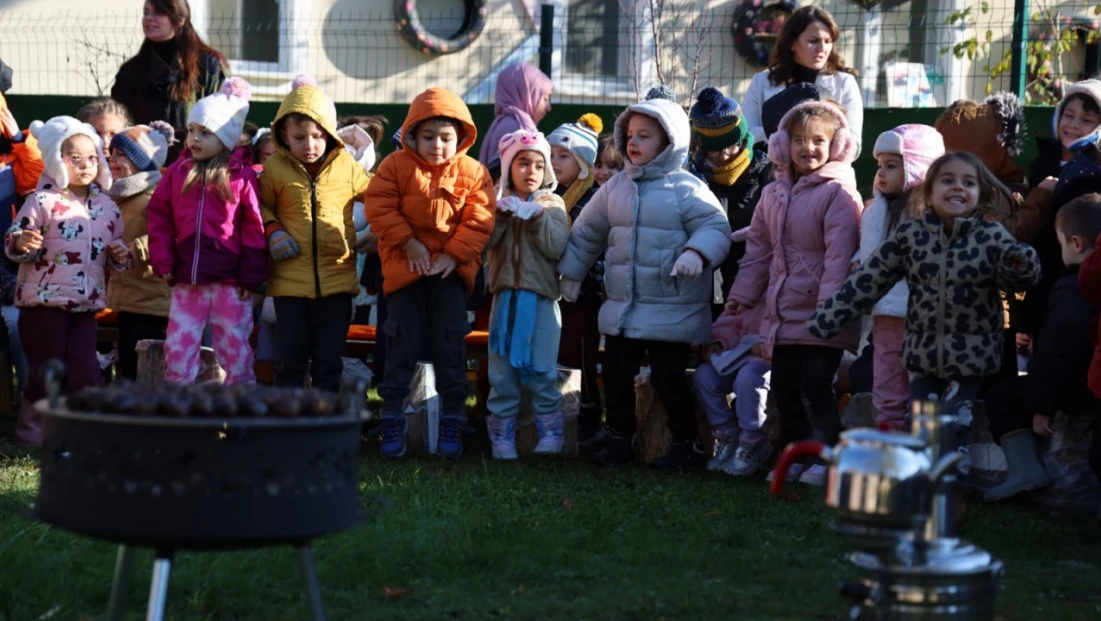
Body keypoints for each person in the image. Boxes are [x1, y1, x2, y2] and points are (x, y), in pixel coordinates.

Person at [808, 152, 1040, 458]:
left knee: (953, 426)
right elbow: (869, 278)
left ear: (981, 194)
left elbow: (1017, 279)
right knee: (923, 426)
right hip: (922, 352)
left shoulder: (991, 237)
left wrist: (1020, 263)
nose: (958, 187)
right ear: (928, 191)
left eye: (968, 182)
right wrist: (828, 318)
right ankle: (924, 477)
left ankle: (948, 479)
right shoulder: (912, 237)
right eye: (948, 180)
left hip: (969, 357)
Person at [558, 97, 731, 469]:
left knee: (669, 379)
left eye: (645, 136)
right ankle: (620, 438)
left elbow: (716, 227)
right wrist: (572, 272)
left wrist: (697, 253)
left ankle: (687, 443)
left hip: (672, 310)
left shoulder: (686, 188)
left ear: (670, 142)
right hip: (624, 309)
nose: (633, 142)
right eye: (630, 134)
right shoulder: (616, 187)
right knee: (615, 375)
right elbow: (587, 232)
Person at [728, 100, 862, 486]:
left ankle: (830, 457)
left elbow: (838, 258)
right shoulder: (773, 194)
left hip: (824, 314)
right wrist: (742, 294)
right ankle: (798, 455)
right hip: (783, 312)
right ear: (783, 145)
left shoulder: (838, 193)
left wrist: (829, 312)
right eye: (800, 140)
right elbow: (759, 249)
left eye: (818, 140)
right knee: (785, 387)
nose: (808, 148)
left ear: (837, 145)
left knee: (818, 385)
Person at [365, 87, 495, 460]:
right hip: (405, 270)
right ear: (412, 135)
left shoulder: (474, 172)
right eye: (428, 137)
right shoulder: (394, 167)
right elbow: (379, 206)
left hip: (449, 274)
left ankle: (453, 418)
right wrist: (409, 244)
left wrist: (454, 255)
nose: (437, 145)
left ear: (461, 137)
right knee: (400, 344)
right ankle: (392, 416)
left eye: (446, 138)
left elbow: (480, 218)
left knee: (450, 345)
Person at [6, 116, 130, 446]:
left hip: (86, 305)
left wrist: (120, 255)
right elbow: (14, 238)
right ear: (56, 160)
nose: (86, 164)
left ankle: (81, 432)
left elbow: (116, 251)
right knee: (46, 371)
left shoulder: (108, 208)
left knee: (84, 372)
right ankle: (32, 433)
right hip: (42, 304)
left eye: (92, 157)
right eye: (75, 158)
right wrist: (21, 243)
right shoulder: (41, 201)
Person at [147, 78, 267, 386]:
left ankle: (240, 402)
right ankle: (179, 403)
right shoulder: (176, 173)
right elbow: (159, 216)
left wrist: (251, 279)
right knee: (179, 345)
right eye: (191, 130)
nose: (195, 139)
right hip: (187, 279)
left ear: (226, 138)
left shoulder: (241, 177)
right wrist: (163, 260)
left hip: (231, 282)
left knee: (235, 346)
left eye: (205, 132)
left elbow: (254, 227)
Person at [260, 76, 373, 393]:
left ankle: (324, 418)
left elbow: (379, 197)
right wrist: (273, 230)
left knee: (328, 362)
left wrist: (378, 233)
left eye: (317, 136)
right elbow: (260, 205)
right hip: (289, 285)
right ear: (284, 135)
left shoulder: (346, 166)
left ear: (330, 134)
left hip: (337, 282)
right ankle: (289, 418)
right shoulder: (275, 168)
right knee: (289, 362)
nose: (309, 145)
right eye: (299, 137)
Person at [984, 194, 1101, 501]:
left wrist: (1041, 406)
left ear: (1076, 244)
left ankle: (1025, 471)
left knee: (1002, 396)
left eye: (1060, 243)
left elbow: (1058, 352)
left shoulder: (1073, 287)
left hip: (1073, 390)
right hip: (1090, 387)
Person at [484, 130, 569, 459]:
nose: (530, 171)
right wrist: (499, 218)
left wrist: (538, 220)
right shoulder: (495, 201)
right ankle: (501, 435)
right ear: (508, 167)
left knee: (543, 368)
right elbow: (485, 243)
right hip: (505, 300)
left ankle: (551, 432)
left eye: (538, 164)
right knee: (501, 371)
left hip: (542, 300)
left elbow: (555, 246)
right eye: (522, 163)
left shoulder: (553, 204)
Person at [856, 125, 945, 430]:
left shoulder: (933, 216)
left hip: (923, 317)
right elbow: (870, 248)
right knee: (887, 383)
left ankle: (927, 446)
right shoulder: (875, 210)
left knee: (924, 388)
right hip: (885, 317)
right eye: (880, 165)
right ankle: (890, 439)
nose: (881, 173)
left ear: (918, 167)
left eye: (892, 166)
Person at [546, 113, 605, 443]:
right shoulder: (548, 193)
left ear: (582, 163)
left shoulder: (593, 199)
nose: (555, 162)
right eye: (551, 154)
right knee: (558, 353)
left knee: (582, 355)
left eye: (564, 156)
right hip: (551, 290)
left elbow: (595, 246)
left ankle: (588, 414)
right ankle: (560, 415)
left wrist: (577, 275)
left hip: (584, 292)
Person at [688, 87, 771, 310]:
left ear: (742, 139)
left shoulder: (765, 171)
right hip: (703, 281)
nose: (724, 155)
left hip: (750, 279)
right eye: (715, 150)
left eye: (731, 146)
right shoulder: (693, 175)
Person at [105, 122, 175, 380]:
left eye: (121, 154)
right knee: (128, 365)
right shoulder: (120, 195)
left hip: (153, 302)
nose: (112, 159)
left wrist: (137, 248)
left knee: (146, 370)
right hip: (131, 298)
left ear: (142, 161)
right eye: (112, 153)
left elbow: (171, 234)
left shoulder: (156, 195)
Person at [741, 6, 862, 155]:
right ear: (792, 43)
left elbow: (853, 144)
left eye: (828, 41)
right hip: (770, 167)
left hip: (827, 169)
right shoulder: (760, 82)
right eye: (813, 41)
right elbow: (748, 136)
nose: (822, 48)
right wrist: (791, 138)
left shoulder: (844, 83)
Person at [112, 0, 227, 152]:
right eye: (146, 13)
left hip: (193, 157)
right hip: (144, 158)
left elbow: (218, 119)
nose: (149, 18)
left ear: (180, 19)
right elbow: (121, 123)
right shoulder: (130, 70)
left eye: (159, 12)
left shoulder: (207, 65)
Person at [0, 86, 44, 401]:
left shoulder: (15, 159)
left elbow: (40, 177)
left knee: (17, 323)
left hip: (9, 272)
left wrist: (18, 137)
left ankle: (32, 402)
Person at [694, 303, 771, 476]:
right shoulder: (750, 292)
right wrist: (719, 340)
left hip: (775, 360)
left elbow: (796, 329)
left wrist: (767, 347)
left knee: (749, 376)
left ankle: (753, 439)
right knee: (704, 375)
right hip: (741, 353)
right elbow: (731, 317)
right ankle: (727, 433)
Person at [478, 62, 553, 181]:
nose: (549, 107)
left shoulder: (505, 122)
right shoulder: (517, 127)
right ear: (526, 94)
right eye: (545, 98)